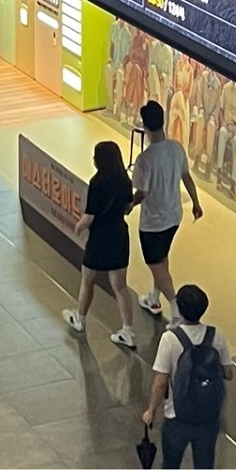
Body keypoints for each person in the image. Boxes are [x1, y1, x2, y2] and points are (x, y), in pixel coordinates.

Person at [143, 284, 233, 470]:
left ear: (179, 309)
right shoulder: (216, 335)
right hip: (208, 416)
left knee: (171, 464)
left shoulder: (170, 338)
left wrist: (151, 411)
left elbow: (160, 382)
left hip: (177, 416)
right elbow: (228, 374)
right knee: (205, 465)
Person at [130, 100, 203, 323]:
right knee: (162, 259)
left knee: (155, 264)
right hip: (174, 216)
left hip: (153, 222)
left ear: (145, 127)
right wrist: (196, 203)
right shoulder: (176, 149)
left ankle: (176, 310)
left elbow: (142, 193)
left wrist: (129, 205)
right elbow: (186, 177)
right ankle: (153, 298)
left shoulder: (144, 160)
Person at [62, 141, 137, 349]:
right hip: (119, 235)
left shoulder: (97, 182)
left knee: (88, 280)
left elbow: (89, 217)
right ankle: (128, 330)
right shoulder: (125, 180)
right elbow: (128, 207)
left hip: (99, 238)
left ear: (100, 160)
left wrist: (77, 228)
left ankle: (80, 318)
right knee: (120, 286)